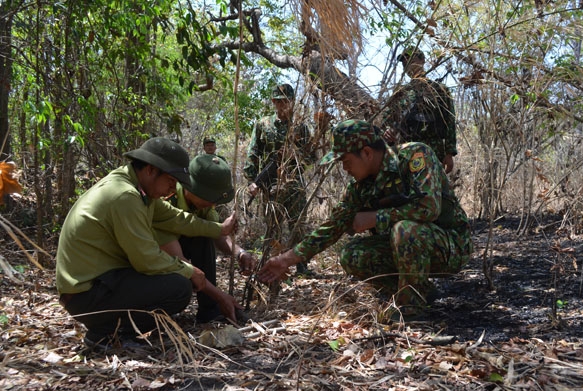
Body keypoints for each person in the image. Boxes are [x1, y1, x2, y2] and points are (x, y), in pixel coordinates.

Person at [257, 119, 473, 316]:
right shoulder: (359, 187)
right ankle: (420, 291)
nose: (344, 168)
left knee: (405, 229)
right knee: (352, 255)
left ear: (367, 153)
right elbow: (333, 227)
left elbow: (430, 208)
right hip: (407, 249)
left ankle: (410, 311)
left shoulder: (415, 156)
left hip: (450, 245)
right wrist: (286, 259)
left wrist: (376, 218)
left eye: (346, 160)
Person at [56, 137, 242, 350]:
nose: (172, 189)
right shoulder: (125, 196)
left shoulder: (136, 188)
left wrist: (220, 229)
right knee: (179, 288)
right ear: (152, 170)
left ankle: (115, 328)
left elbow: (178, 219)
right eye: (171, 181)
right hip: (87, 295)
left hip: (99, 285)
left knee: (179, 280)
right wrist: (190, 271)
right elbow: (147, 259)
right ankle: (106, 334)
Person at [157, 153, 257, 322]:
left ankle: (209, 311)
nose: (212, 205)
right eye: (208, 199)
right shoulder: (165, 200)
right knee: (179, 287)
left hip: (176, 254)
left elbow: (217, 233)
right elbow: (178, 259)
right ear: (188, 187)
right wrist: (220, 296)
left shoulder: (202, 204)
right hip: (157, 259)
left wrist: (239, 253)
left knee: (202, 238)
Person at [243, 83, 314, 274]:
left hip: (294, 183)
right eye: (278, 101)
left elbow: (311, 157)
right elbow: (253, 153)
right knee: (273, 226)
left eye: (286, 101)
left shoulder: (300, 127)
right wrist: (252, 180)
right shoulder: (263, 124)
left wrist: (294, 157)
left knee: (298, 225)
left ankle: (301, 266)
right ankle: (271, 264)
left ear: (292, 102)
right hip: (270, 184)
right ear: (273, 102)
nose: (282, 105)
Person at [382, 47, 457, 173]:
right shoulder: (401, 93)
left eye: (411, 59)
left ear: (422, 60)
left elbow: (450, 121)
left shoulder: (439, 89)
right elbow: (387, 120)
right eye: (403, 62)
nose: (407, 63)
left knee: (432, 190)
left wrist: (449, 153)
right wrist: (387, 133)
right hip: (407, 150)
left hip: (434, 150)